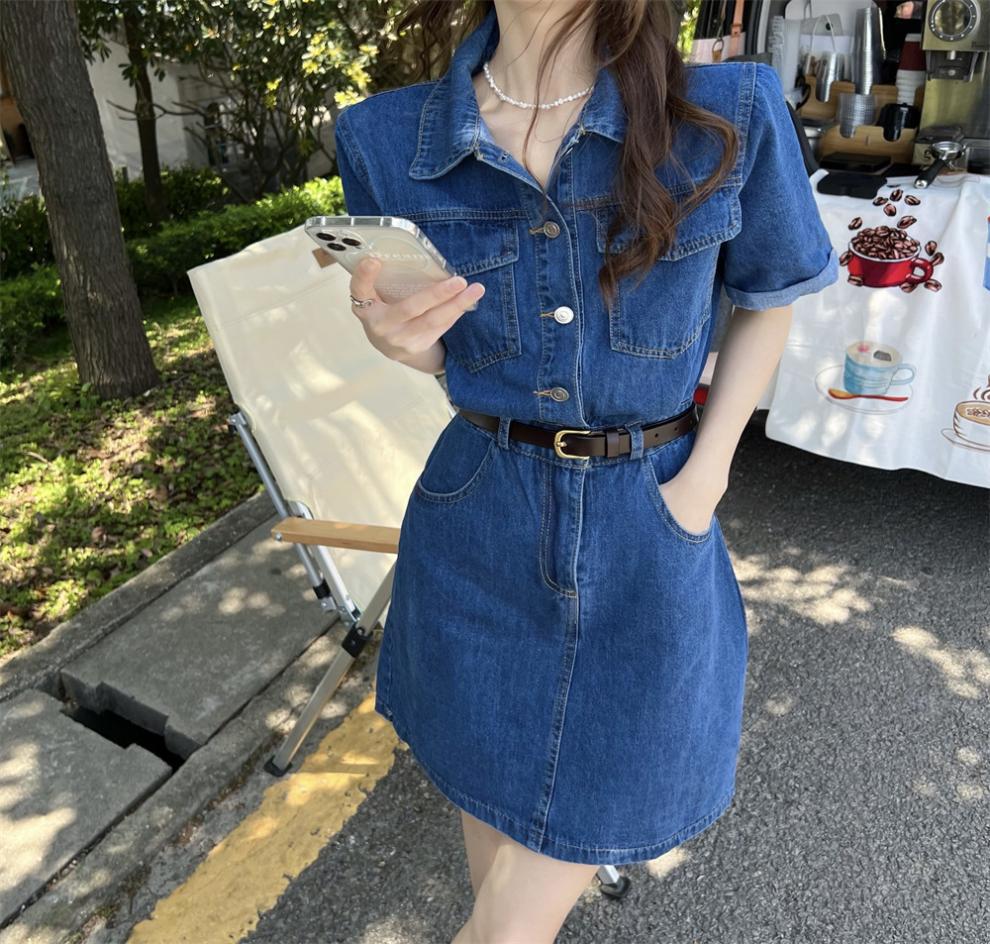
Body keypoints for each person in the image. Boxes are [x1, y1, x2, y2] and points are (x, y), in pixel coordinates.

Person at [334, 2, 838, 941]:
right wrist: (402, 343)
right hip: (478, 520)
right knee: (497, 847)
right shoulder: (383, 137)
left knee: (506, 925)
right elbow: (449, 354)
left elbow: (770, 296)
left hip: (648, 523)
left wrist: (704, 484)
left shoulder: (725, 110)